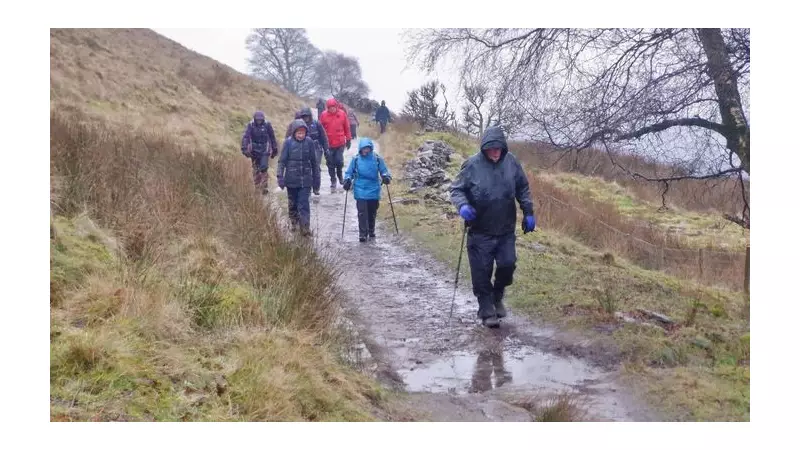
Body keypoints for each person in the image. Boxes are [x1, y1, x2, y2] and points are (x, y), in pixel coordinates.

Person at [450, 125, 536, 328]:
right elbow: (456, 190)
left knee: (508, 264)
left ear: (504, 148)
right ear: (484, 147)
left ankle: (497, 296)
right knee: (481, 272)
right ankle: (486, 308)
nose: (495, 152)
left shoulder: (512, 163)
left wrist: (528, 212)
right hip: (480, 229)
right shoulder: (472, 165)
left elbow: (523, 188)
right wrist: (463, 206)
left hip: (505, 228)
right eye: (491, 148)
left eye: (499, 148)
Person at [277, 120, 321, 236]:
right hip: (291, 179)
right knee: (293, 203)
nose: (301, 135)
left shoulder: (310, 142)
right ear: (294, 132)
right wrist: (280, 176)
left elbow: (314, 163)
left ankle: (305, 227)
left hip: (306, 180)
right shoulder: (288, 143)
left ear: (306, 132)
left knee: (304, 203)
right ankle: (293, 221)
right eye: (298, 133)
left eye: (303, 133)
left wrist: (316, 180)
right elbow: (282, 161)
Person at [343, 137, 391, 242]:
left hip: (374, 188)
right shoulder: (355, 159)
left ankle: (371, 230)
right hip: (360, 188)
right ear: (360, 148)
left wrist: (386, 177)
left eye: (368, 148)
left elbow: (384, 170)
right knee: (362, 212)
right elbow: (349, 172)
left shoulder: (377, 159)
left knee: (372, 211)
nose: (366, 150)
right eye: (364, 148)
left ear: (371, 148)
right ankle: (362, 234)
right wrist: (347, 180)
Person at [241, 110, 278, 194]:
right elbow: (246, 137)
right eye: (257, 120)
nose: (259, 121)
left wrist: (274, 149)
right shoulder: (250, 125)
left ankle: (264, 187)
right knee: (256, 169)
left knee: (264, 168)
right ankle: (257, 187)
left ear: (263, 119)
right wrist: (244, 148)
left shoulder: (267, 125)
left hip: (265, 149)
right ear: (254, 119)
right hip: (254, 150)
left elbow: (272, 137)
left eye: (260, 120)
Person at [319, 98, 352, 193]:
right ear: (327, 108)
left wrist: (348, 139)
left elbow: (347, 127)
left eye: (333, 107)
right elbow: (320, 129)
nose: (331, 109)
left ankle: (340, 176)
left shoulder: (342, 114)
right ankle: (333, 180)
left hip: (340, 143)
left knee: (339, 160)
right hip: (328, 144)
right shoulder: (323, 115)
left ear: (336, 106)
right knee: (330, 163)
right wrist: (320, 141)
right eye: (329, 108)